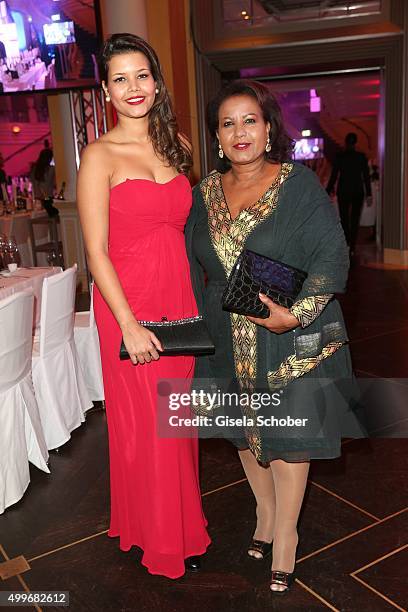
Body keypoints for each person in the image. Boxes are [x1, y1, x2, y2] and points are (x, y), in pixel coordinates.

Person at [186, 80, 363, 594]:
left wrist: (297, 315)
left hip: (288, 334)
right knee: (243, 432)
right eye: (227, 123)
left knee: (288, 436)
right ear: (218, 137)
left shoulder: (299, 185)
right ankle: (264, 514)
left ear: (267, 130)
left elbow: (333, 256)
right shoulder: (204, 195)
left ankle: (286, 534)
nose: (239, 132)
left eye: (249, 120)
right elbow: (186, 257)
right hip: (226, 331)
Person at [77, 33, 210, 580]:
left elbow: (192, 229)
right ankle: (164, 541)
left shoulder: (177, 144)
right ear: (107, 90)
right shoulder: (100, 154)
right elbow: (94, 251)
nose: (133, 88)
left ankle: (167, 525)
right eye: (120, 79)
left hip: (177, 296)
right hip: (126, 305)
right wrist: (128, 324)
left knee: (177, 422)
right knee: (150, 427)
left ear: (156, 82)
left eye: (142, 76)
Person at [326, 132, 372, 254]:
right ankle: (352, 246)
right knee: (355, 219)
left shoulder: (340, 157)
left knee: (344, 219)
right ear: (355, 143)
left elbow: (334, 176)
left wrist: (327, 191)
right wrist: (369, 194)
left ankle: (347, 243)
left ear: (345, 143)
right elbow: (366, 176)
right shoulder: (361, 157)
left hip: (344, 190)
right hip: (358, 190)